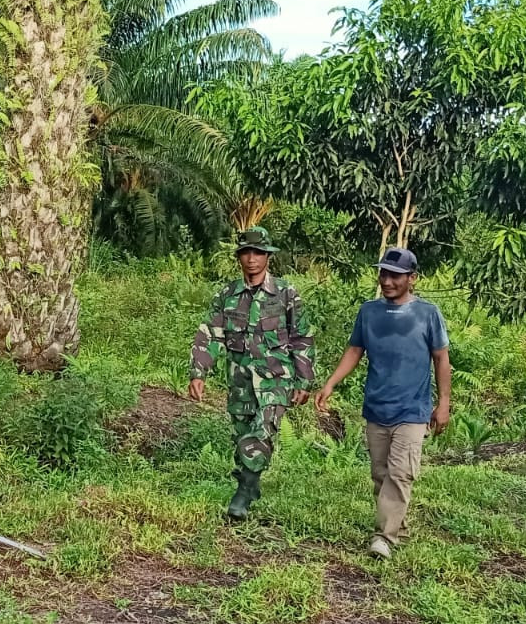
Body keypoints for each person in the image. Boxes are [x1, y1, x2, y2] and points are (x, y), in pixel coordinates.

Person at [315, 247, 451, 558]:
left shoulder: (428, 314)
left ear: (412, 279)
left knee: (401, 472)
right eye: (384, 274)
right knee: (381, 474)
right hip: (377, 407)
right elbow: (354, 351)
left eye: (395, 275)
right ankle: (396, 528)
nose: (387, 280)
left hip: (412, 410)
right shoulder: (369, 312)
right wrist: (330, 384)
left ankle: (384, 538)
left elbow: (442, 358)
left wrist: (443, 403)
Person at [188, 228, 315, 520]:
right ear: (238, 258)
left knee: (263, 431)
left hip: (275, 380)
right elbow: (211, 334)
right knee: (242, 434)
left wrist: (304, 379)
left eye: (258, 253)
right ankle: (251, 483)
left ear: (268, 256)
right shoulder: (227, 295)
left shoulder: (286, 294)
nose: (252, 259)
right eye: (246, 252)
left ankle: (242, 495)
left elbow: (302, 337)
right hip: (240, 381)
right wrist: (199, 372)